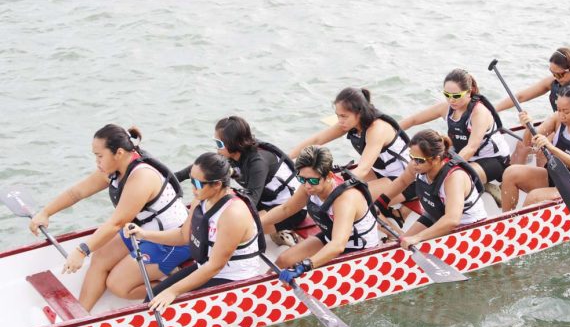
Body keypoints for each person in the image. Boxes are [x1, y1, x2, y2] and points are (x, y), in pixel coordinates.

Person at [29, 125, 190, 311]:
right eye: (95, 155)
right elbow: (77, 192)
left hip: (173, 239)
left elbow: (117, 223)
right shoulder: (113, 169)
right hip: (142, 232)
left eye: (99, 156)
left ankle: (182, 286)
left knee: (118, 285)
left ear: (119, 153)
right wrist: (45, 213)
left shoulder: (142, 176)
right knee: (100, 258)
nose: (96, 161)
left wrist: (81, 251)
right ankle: (81, 315)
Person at [126, 152, 264, 311]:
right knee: (153, 296)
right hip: (206, 266)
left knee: (167, 303)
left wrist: (172, 292)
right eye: (191, 180)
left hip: (234, 277)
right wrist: (144, 234)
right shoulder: (201, 199)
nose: (192, 188)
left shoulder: (233, 214)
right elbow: (182, 235)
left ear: (217, 184)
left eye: (197, 184)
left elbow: (215, 266)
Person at [176, 116, 305, 247]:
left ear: (233, 143)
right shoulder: (231, 153)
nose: (217, 148)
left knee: (233, 228)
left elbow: (251, 203)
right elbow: (205, 168)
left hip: (288, 208)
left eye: (219, 144)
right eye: (215, 142)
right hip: (263, 197)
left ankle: (283, 232)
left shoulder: (258, 163)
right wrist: (175, 178)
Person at [261, 145, 381, 283]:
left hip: (358, 250)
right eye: (301, 179)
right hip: (330, 236)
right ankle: (261, 288)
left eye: (312, 180)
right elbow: (286, 209)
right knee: (283, 260)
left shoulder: (345, 199)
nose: (306, 186)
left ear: (329, 176)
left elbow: (338, 245)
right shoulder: (309, 184)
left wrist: (305, 265)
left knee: (307, 275)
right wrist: (255, 226)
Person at [289, 87, 416, 210]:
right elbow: (317, 140)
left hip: (406, 180)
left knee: (346, 198)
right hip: (379, 172)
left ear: (359, 113)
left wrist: (333, 185)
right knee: (319, 185)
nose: (340, 121)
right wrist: (285, 159)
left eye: (344, 116)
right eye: (338, 116)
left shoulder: (377, 129)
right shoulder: (350, 123)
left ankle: (393, 229)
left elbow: (363, 169)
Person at [399, 69, 510, 202]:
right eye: (447, 94)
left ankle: (484, 186)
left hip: (494, 160)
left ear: (469, 92)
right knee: (421, 169)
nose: (451, 100)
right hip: (464, 156)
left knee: (448, 178)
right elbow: (413, 120)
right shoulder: (446, 108)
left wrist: (446, 169)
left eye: (456, 96)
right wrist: (389, 131)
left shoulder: (479, 113)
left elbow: (471, 147)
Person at [374, 129, 487, 250]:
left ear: (436, 159)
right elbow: (402, 181)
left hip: (468, 225)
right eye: (411, 157)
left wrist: (417, 238)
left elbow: (452, 220)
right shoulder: (416, 165)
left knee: (411, 242)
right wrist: (379, 203)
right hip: (435, 214)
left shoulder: (454, 177)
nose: (413, 163)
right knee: (400, 248)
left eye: (419, 160)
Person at [501, 86, 570, 211]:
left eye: (566, 112)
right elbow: (528, 143)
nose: (561, 116)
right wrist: (529, 127)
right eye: (559, 110)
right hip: (558, 175)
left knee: (534, 197)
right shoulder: (557, 118)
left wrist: (551, 148)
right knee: (511, 173)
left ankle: (522, 228)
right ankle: (507, 220)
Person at [495, 48, 570, 165]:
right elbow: (521, 97)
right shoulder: (556, 81)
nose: (556, 77)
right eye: (553, 73)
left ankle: (542, 178)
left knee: (542, 149)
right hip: (560, 122)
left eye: (560, 74)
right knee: (522, 144)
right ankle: (512, 173)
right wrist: (493, 110)